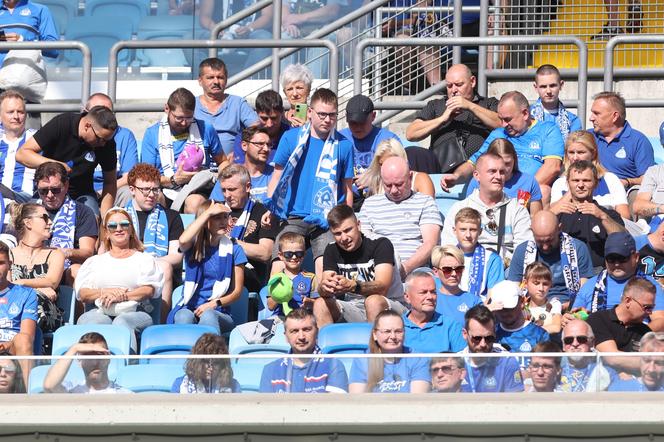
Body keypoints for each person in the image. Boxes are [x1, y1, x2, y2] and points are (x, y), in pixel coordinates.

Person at [265, 87, 354, 280]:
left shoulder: (344, 145)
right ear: (310, 112)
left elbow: (347, 188)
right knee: (278, 267)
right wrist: (271, 207)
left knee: (326, 272)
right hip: (293, 217)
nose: (327, 120)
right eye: (322, 114)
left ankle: (322, 307)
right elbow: (277, 176)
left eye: (332, 115)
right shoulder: (291, 138)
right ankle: (276, 308)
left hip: (326, 219)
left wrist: (347, 220)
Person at [443, 91, 563, 204]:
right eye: (501, 119)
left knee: (543, 190)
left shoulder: (548, 130)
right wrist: (456, 176)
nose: (503, 124)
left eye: (507, 119)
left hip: (527, 195)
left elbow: (552, 167)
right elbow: (473, 163)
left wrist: (522, 191)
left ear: (525, 114)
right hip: (496, 191)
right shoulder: (498, 134)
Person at [74, 208, 164, 350]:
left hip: (136, 311)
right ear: (107, 233)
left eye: (124, 224)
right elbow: (84, 294)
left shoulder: (144, 260)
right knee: (91, 321)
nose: (119, 229)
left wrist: (122, 296)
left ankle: (127, 365)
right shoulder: (94, 262)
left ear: (131, 230)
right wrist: (105, 292)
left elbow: (149, 290)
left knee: (122, 322)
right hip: (101, 310)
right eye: (112, 226)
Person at [16, 106, 118, 216]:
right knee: (34, 219)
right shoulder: (62, 124)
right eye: (100, 138)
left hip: (82, 193)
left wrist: (105, 216)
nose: (103, 144)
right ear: (87, 126)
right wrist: (56, 165)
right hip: (49, 190)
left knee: (92, 217)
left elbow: (110, 182)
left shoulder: (107, 143)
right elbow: (22, 154)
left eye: (107, 140)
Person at [315, 204, 405, 326]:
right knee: (320, 303)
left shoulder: (380, 244)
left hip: (390, 305)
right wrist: (324, 287)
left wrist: (353, 286)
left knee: (372, 301)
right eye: (337, 233)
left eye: (348, 230)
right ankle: (325, 345)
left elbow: (382, 287)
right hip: (355, 308)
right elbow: (324, 288)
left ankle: (373, 345)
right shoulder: (331, 249)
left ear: (358, 225)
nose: (344, 238)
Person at [141, 87, 226, 214]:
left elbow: (223, 161)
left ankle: (192, 234)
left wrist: (217, 179)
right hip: (164, 187)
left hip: (198, 188)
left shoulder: (206, 129)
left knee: (194, 202)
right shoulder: (152, 134)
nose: (184, 123)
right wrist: (174, 180)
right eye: (179, 118)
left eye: (189, 118)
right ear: (167, 109)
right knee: (153, 198)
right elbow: (146, 177)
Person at [405, 64, 500, 174]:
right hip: (440, 167)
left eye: (459, 85)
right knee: (411, 152)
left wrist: (470, 106)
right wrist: (442, 119)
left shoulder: (488, 103)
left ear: (472, 81)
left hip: (478, 168)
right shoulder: (435, 105)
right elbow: (411, 133)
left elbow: (502, 124)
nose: (454, 90)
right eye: (449, 86)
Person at [358, 156, 442, 279]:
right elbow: (363, 241)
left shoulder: (425, 202)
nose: (393, 190)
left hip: (415, 272)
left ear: (410, 177)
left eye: (399, 184)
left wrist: (404, 268)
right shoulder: (370, 204)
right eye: (388, 185)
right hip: (378, 269)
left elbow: (430, 243)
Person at [170, 201, 246, 334]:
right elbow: (182, 240)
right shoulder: (192, 246)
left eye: (225, 217)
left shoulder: (235, 249)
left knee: (208, 315)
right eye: (217, 217)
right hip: (190, 307)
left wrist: (214, 304)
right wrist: (208, 212)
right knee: (183, 316)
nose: (223, 222)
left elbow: (237, 292)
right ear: (205, 220)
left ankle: (210, 353)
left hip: (219, 311)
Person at [442, 153, 533, 262]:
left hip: (507, 272)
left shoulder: (517, 210)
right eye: (492, 171)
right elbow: (449, 249)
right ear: (476, 175)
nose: (498, 177)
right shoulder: (459, 208)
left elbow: (525, 253)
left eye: (502, 172)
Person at [571, 231, 664, 332]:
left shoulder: (649, 286)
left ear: (636, 257)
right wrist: (571, 318)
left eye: (622, 258)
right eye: (611, 259)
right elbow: (575, 316)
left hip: (633, 339)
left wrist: (633, 337)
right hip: (595, 338)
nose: (616, 264)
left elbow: (660, 320)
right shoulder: (590, 285)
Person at [125, 164, 184, 321]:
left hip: (157, 267)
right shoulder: (119, 216)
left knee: (164, 267)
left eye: (155, 190)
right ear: (132, 189)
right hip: (125, 268)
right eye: (145, 189)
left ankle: (161, 324)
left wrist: (146, 262)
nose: (151, 195)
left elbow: (176, 257)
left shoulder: (171, 216)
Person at [508, 210, 593, 304]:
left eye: (549, 240)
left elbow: (585, 290)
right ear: (531, 231)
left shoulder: (578, 249)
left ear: (559, 228)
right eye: (540, 241)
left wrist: (565, 307)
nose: (545, 246)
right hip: (531, 306)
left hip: (569, 305)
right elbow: (513, 288)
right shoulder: (522, 251)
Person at [551, 161, 625, 268]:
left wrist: (602, 217)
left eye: (586, 180)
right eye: (576, 180)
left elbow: (623, 238)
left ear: (596, 183)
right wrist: (552, 213)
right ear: (568, 183)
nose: (580, 185)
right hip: (562, 272)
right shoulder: (557, 213)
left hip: (597, 273)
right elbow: (537, 236)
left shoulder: (607, 213)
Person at [215, 164, 278, 292]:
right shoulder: (215, 210)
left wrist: (230, 241)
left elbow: (266, 253)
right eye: (223, 190)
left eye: (232, 189)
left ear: (248, 187)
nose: (227, 195)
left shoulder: (263, 213)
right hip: (216, 267)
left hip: (248, 275)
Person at [35, 162, 98, 285]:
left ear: (66, 185)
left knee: (76, 271)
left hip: (66, 269)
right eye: (43, 191)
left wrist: (65, 252)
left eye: (55, 190)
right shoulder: (31, 211)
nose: (49, 195)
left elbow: (87, 252)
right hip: (34, 266)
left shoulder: (82, 212)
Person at [259, 308, 348, 393]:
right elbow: (266, 408)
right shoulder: (270, 370)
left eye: (306, 330)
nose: (301, 337)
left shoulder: (334, 366)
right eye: (294, 331)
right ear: (286, 336)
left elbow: (335, 407)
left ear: (317, 332)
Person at [10, 203, 65, 333]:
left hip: (46, 313)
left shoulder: (55, 253)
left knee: (35, 301)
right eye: (44, 218)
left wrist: (20, 282)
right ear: (28, 223)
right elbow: (6, 287)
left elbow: (51, 281)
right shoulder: (9, 254)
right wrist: (37, 289)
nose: (50, 222)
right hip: (13, 310)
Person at [551, 130, 629, 220]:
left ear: (593, 153)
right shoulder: (560, 183)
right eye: (571, 152)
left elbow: (624, 217)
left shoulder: (610, 179)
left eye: (580, 152)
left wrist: (601, 215)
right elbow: (552, 215)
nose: (575, 158)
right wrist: (572, 190)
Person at [349, 310, 430, 393]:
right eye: (387, 331)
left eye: (398, 331)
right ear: (374, 334)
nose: (393, 336)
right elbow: (357, 399)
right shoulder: (362, 360)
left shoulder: (418, 358)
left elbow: (418, 399)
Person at [586, 276, 655, 372]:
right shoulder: (598, 319)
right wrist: (652, 364)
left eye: (652, 307)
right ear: (628, 301)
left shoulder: (645, 332)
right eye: (647, 307)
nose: (650, 312)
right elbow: (612, 358)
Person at [589, 92, 653, 189]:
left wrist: (627, 181)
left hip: (624, 194)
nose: (591, 118)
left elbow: (649, 178)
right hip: (590, 192)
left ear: (615, 116)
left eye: (597, 113)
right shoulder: (588, 137)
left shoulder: (638, 141)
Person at [194, 58, 258, 155]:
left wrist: (239, 150)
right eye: (210, 77)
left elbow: (257, 127)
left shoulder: (237, 103)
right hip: (198, 167)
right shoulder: (191, 105)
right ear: (200, 80)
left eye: (220, 77)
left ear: (226, 80)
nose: (216, 81)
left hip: (232, 165)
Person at [465, 139, 543, 214]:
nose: (504, 169)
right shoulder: (478, 181)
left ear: (514, 160)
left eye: (507, 163)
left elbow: (535, 217)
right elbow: (469, 215)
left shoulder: (529, 181)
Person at [87, 93, 138, 208]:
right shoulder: (80, 135)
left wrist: (100, 193)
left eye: (107, 113)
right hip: (83, 191)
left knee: (130, 194)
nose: (103, 117)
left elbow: (129, 176)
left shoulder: (125, 136)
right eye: (97, 112)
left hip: (115, 189)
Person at [460, 305, 524, 392]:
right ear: (465, 334)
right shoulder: (455, 364)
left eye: (489, 338)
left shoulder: (507, 362)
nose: (483, 344)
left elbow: (515, 402)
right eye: (477, 338)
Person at [43, 332, 131, 394]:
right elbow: (49, 386)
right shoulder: (72, 390)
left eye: (100, 354)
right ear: (79, 361)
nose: (95, 362)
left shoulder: (122, 395)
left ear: (108, 359)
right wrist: (74, 348)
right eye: (88, 356)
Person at [402, 270, 466, 353]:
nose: (430, 297)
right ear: (407, 297)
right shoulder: (397, 327)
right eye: (423, 292)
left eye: (433, 292)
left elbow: (462, 362)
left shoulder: (451, 326)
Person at [339, 94, 398, 182]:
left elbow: (401, 173)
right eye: (353, 123)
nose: (358, 127)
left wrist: (374, 180)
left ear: (373, 116)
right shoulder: (340, 139)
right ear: (346, 118)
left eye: (362, 122)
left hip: (380, 193)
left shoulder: (389, 140)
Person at [354, 138, 435, 203]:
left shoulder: (421, 180)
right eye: (381, 164)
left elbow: (428, 212)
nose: (386, 168)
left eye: (390, 163)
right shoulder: (378, 184)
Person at [452, 208, 504, 301]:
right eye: (463, 229)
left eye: (473, 230)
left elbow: (493, 297)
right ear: (455, 231)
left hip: (479, 311)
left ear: (480, 231)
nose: (468, 235)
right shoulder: (446, 257)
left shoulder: (492, 259)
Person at [210, 127, 275, 203]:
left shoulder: (276, 175)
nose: (266, 149)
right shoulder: (229, 174)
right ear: (244, 146)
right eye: (260, 144)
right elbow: (215, 206)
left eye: (269, 145)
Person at [487, 280, 550, 353]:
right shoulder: (488, 335)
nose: (504, 312)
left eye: (510, 308)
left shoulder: (539, 335)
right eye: (500, 308)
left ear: (522, 302)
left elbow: (546, 362)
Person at [558, 318, 618, 392]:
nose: (575, 344)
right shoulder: (552, 367)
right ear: (563, 345)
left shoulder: (605, 371)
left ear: (592, 343)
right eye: (568, 340)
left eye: (581, 339)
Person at [232, 90, 290, 165]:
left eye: (274, 118)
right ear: (256, 113)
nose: (269, 124)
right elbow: (240, 170)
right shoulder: (244, 138)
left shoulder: (292, 136)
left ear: (282, 112)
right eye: (264, 118)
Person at [171, 333, 241, 393]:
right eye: (205, 361)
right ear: (196, 361)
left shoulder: (233, 386)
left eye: (215, 362)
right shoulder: (179, 384)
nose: (210, 367)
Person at [267, 232, 316, 316]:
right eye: (288, 254)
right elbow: (270, 306)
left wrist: (310, 302)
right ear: (281, 256)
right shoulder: (276, 278)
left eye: (299, 254)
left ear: (304, 255)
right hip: (280, 319)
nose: (294, 257)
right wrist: (280, 294)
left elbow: (319, 304)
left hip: (302, 318)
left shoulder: (311, 278)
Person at [431, 245, 481, 325]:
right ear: (436, 272)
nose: (454, 274)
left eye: (458, 269)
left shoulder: (474, 302)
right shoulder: (429, 299)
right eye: (447, 270)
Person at [529, 64, 582, 141]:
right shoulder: (527, 117)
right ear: (535, 87)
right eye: (543, 86)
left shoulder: (573, 121)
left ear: (561, 85)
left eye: (552, 86)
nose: (548, 91)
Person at [0, 90, 35, 202]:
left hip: (29, 199)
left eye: (20, 112)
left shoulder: (37, 139)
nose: (16, 116)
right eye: (10, 112)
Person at [0, 0, 58, 66]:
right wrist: (2, 38)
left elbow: (54, 50)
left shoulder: (40, 10)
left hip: (25, 73)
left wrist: (22, 40)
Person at [523, 263, 561, 335]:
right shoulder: (521, 306)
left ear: (550, 284)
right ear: (525, 283)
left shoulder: (553, 304)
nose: (541, 288)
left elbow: (556, 327)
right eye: (536, 283)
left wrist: (529, 331)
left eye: (545, 284)